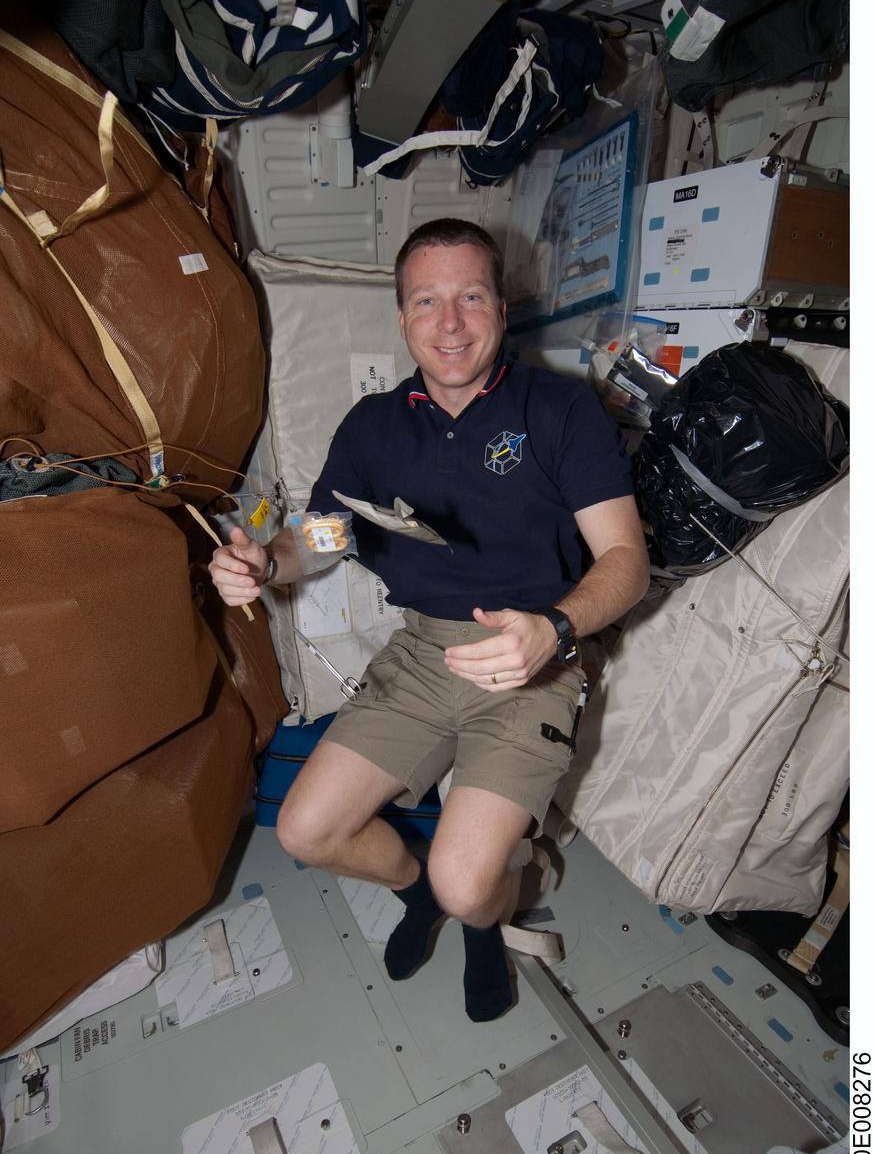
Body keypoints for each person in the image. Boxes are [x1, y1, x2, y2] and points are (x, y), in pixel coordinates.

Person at [209, 218, 649, 1021]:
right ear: (403, 319)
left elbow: (626, 561)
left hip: (535, 658)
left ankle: (480, 925)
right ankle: (420, 897)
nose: (449, 323)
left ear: (502, 311)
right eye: (427, 301)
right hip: (422, 655)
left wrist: (553, 628)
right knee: (307, 831)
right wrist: (266, 563)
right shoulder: (372, 427)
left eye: (470, 297)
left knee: (469, 876)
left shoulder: (560, 411)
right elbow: (325, 534)